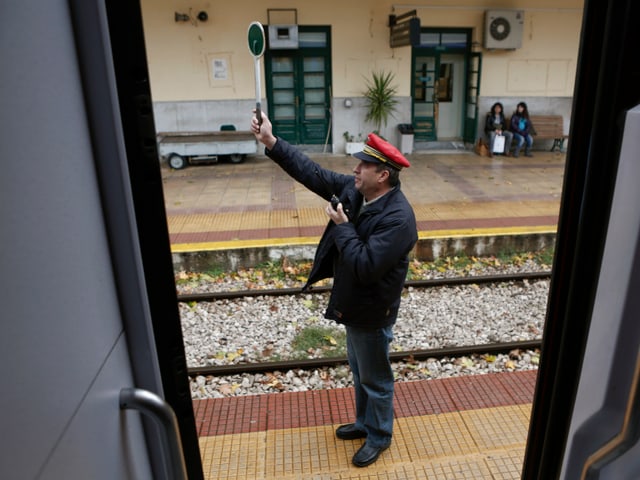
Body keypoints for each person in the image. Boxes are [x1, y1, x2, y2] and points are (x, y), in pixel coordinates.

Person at [251, 111, 418, 468]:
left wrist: (342, 227)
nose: (355, 171)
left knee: (375, 378)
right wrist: (271, 142)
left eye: (362, 166)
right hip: (354, 307)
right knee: (360, 372)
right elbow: (313, 173)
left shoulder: (399, 219)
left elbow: (365, 265)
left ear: (383, 175)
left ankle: (379, 435)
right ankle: (364, 423)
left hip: (372, 311)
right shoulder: (358, 192)